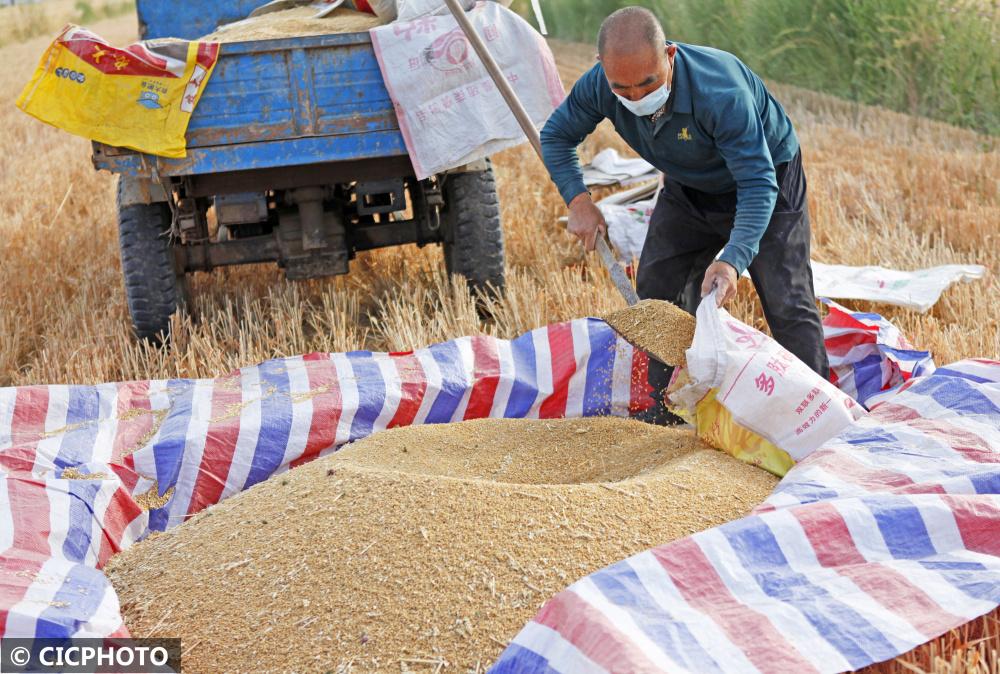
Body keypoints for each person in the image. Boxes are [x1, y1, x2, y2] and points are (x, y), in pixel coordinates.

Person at [540, 5, 830, 424]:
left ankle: (818, 417)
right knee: (657, 287)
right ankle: (668, 409)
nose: (637, 97)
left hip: (767, 178)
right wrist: (578, 200)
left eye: (648, 83)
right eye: (624, 89)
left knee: (786, 299)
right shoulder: (600, 86)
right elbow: (556, 136)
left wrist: (732, 259)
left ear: (670, 56)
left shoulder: (720, 91)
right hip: (688, 183)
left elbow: (757, 184)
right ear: (602, 69)